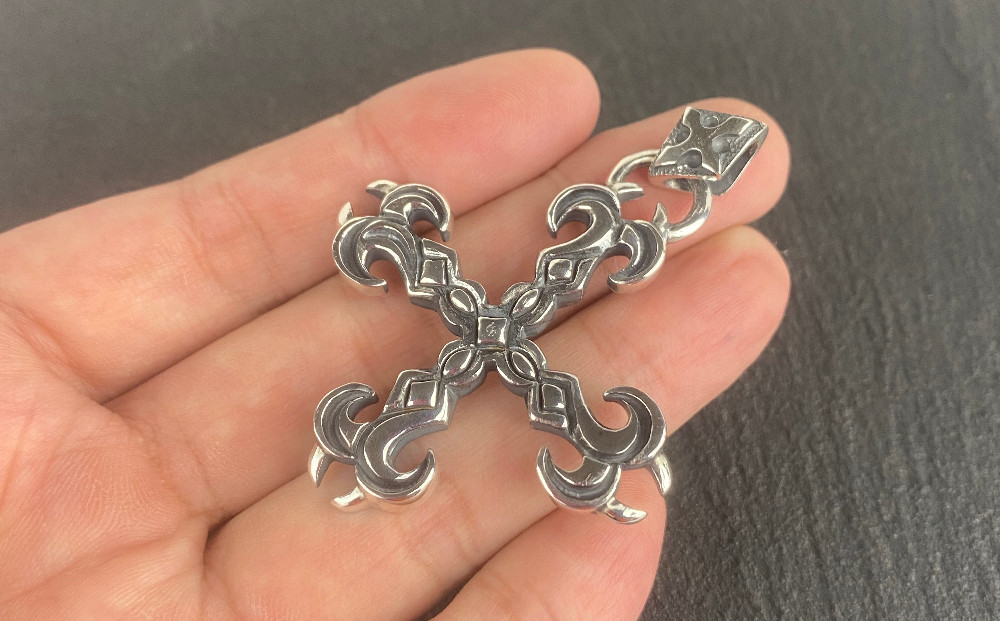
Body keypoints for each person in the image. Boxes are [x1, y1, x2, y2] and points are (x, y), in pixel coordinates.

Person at [0, 49, 790, 619]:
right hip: (548, 263)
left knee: (488, 314)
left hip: (511, 265)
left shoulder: (563, 243)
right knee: (513, 317)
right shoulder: (587, 243)